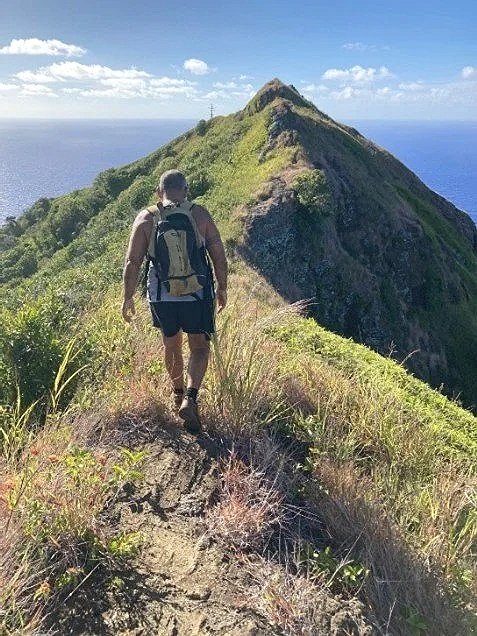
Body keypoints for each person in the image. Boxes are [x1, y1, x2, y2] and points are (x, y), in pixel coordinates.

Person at [121, 169, 228, 433]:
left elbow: (132, 261)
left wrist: (127, 297)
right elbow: (218, 253)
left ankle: (177, 394)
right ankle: (191, 398)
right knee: (200, 347)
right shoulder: (199, 214)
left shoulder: (147, 217)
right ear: (186, 190)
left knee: (171, 345)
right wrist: (222, 287)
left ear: (159, 192)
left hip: (162, 296)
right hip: (197, 293)